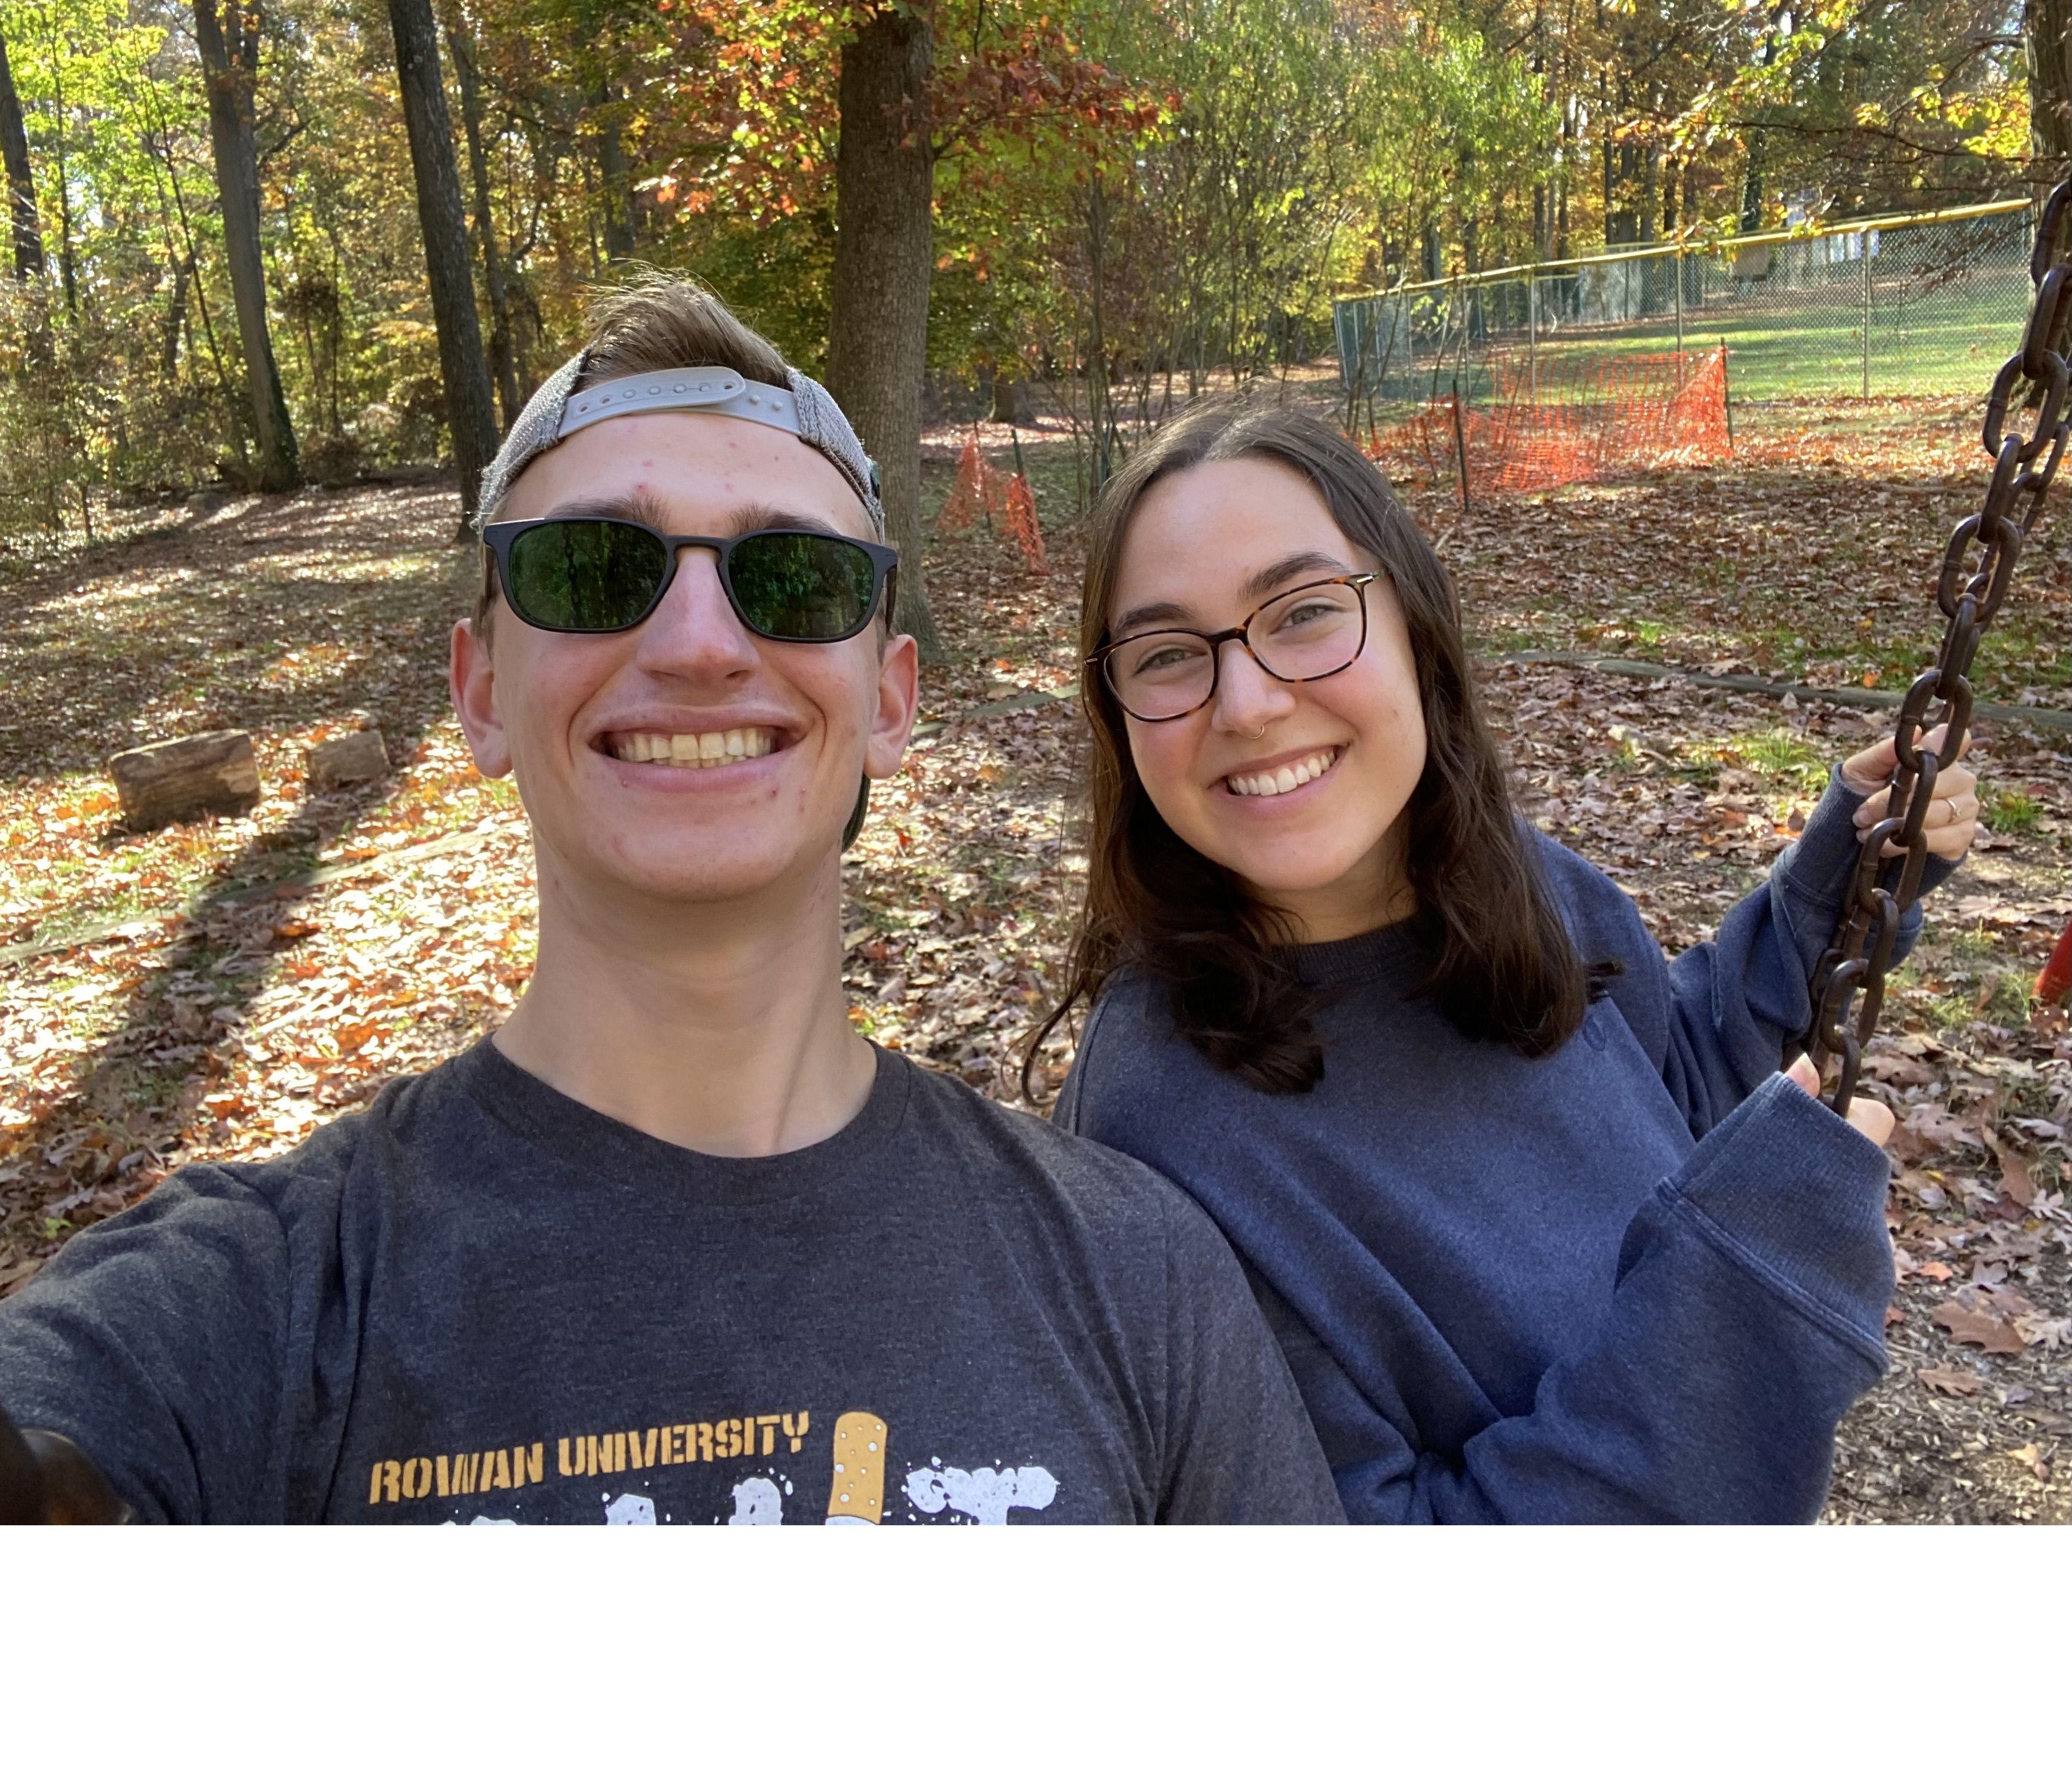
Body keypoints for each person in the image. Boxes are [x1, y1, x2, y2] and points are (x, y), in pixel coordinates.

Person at [0, 282, 1342, 1526]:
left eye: (795, 581)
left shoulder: (1139, 1279)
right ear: (479, 692)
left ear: (890, 700)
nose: (700, 643)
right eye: (593, 567)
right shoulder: (247, 1317)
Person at [1046, 397, 1977, 1525]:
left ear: (1416, 629)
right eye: (1166, 655)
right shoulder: (1156, 1136)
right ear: (1119, 712)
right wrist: (1747, 1313)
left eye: (1300, 614)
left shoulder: (1528, 886)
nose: (1245, 702)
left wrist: (1837, 884)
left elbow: (1664, 1088)